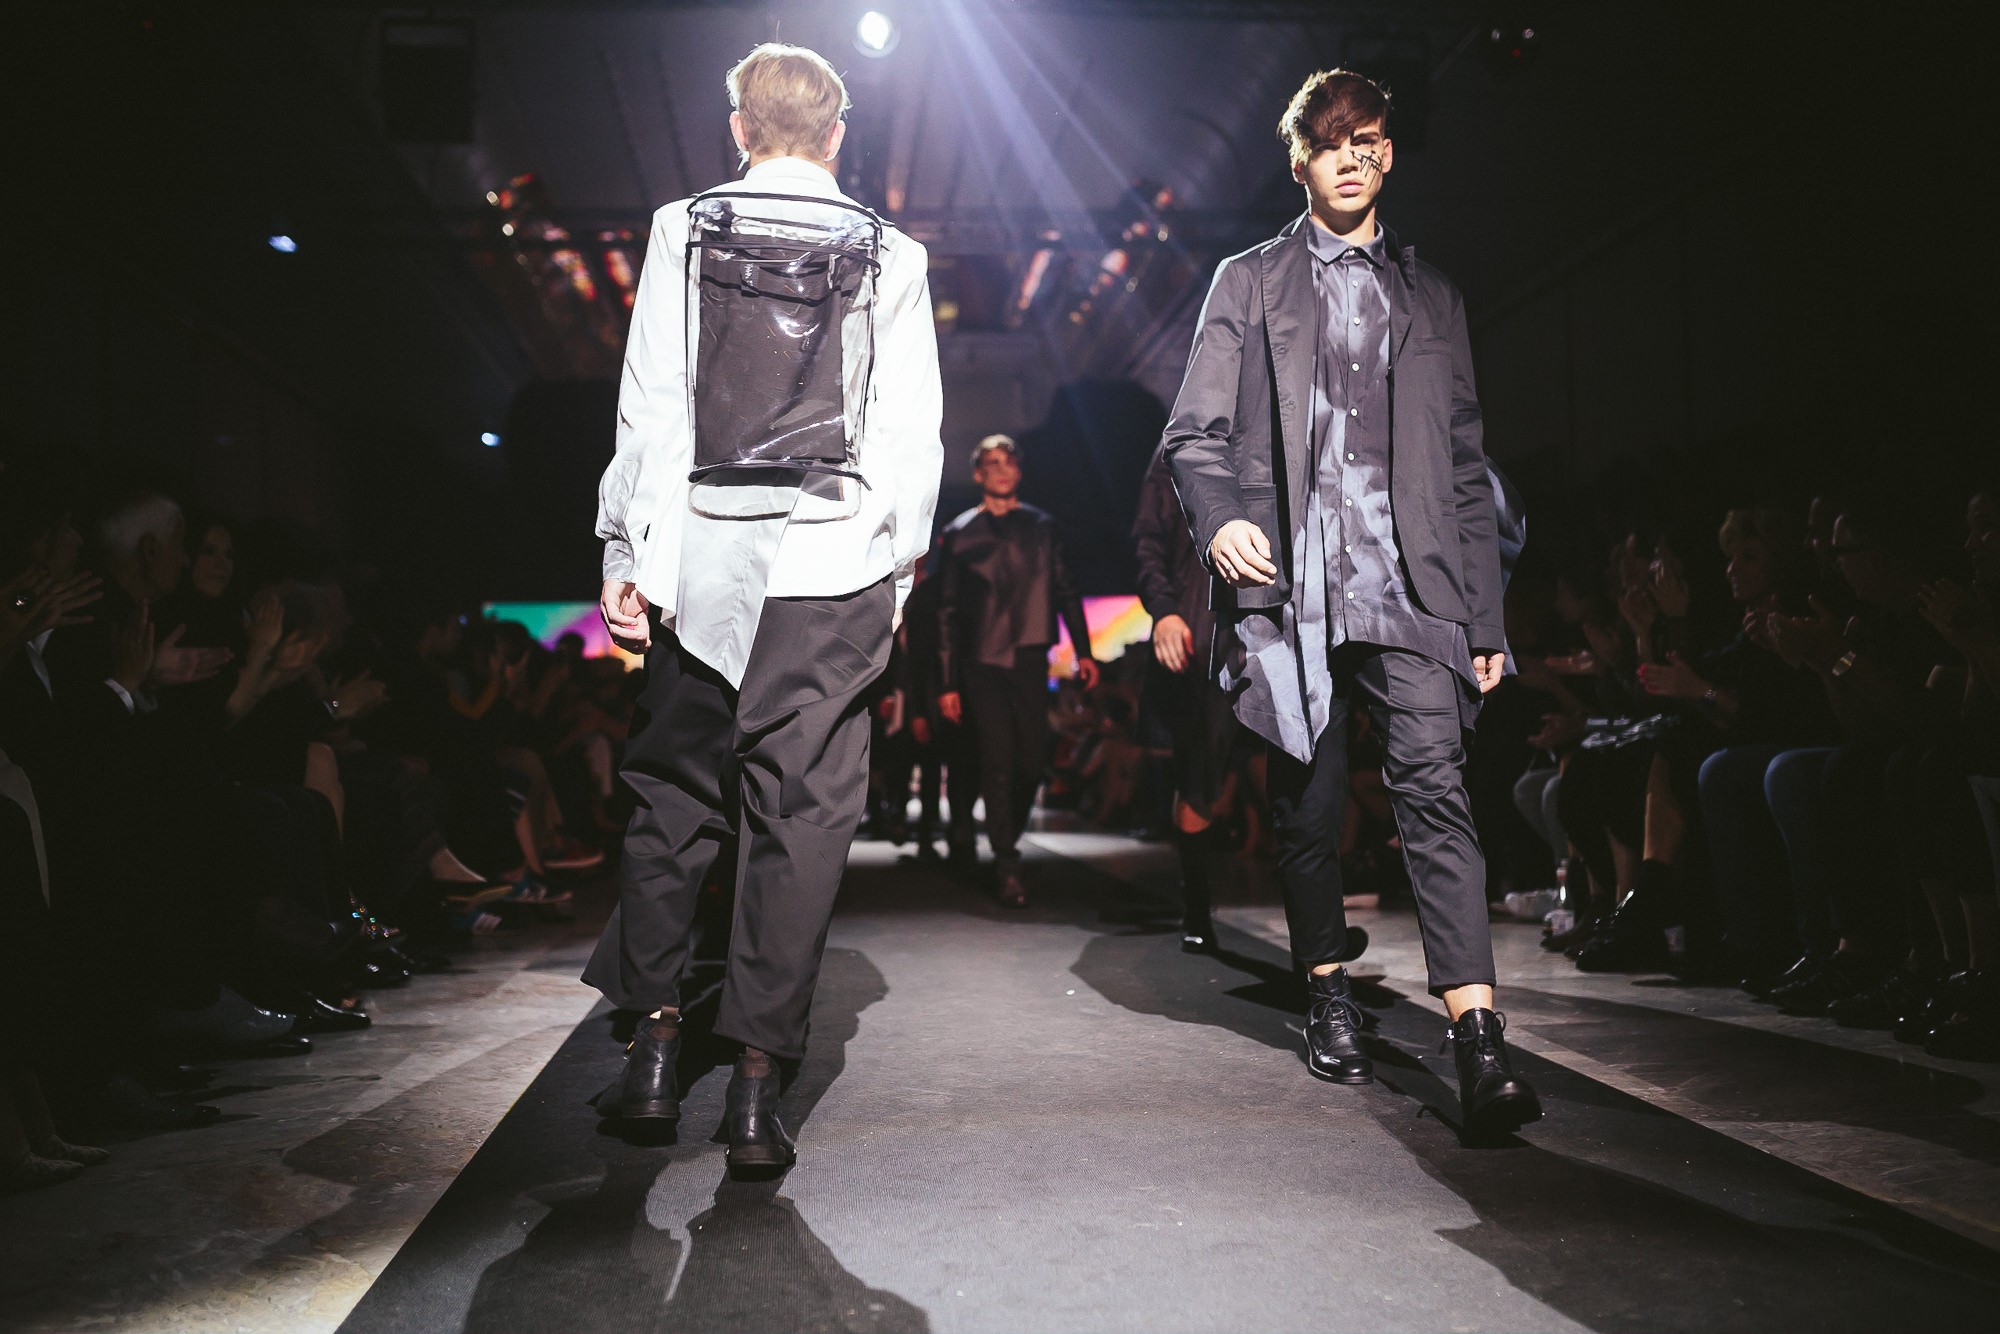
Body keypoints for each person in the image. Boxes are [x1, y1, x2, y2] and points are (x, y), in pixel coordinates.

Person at [1160, 68, 1540, 1136]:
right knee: (1309, 799)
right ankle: (1327, 988)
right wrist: (1219, 519)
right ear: (1299, 162)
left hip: (1412, 589)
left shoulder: (1432, 296)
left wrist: (1484, 619)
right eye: (1329, 143)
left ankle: (1477, 1036)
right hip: (1293, 591)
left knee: (1436, 792)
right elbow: (1193, 433)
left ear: (1387, 152)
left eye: (1366, 139)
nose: (1350, 158)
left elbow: (1464, 465)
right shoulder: (1248, 281)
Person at [586, 42, 943, 1172]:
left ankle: (652, 1052)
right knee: (802, 822)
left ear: (738, 128)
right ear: (836, 135)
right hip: (832, 565)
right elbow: (908, 433)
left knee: (673, 802)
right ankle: (753, 1089)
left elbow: (653, 404)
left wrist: (628, 552)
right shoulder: (892, 251)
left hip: (702, 560)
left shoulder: (682, 227)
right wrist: (895, 574)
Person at [933, 436, 1098, 907]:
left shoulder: (1042, 526)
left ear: (1019, 471)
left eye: (1009, 462)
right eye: (991, 462)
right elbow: (946, 612)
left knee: (1029, 760)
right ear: (978, 473)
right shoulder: (960, 532)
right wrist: (947, 681)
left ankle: (1007, 841)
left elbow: (1065, 588)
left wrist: (1084, 651)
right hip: (980, 661)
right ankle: (1007, 862)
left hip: (1029, 655)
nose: (1001, 469)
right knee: (997, 760)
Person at [1132, 447, 1238, 950]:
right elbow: (1148, 540)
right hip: (1204, 631)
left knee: (1299, 774)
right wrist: (1165, 610)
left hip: (1279, 628)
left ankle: (1317, 934)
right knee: (1200, 777)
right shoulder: (1179, 445)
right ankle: (1197, 908)